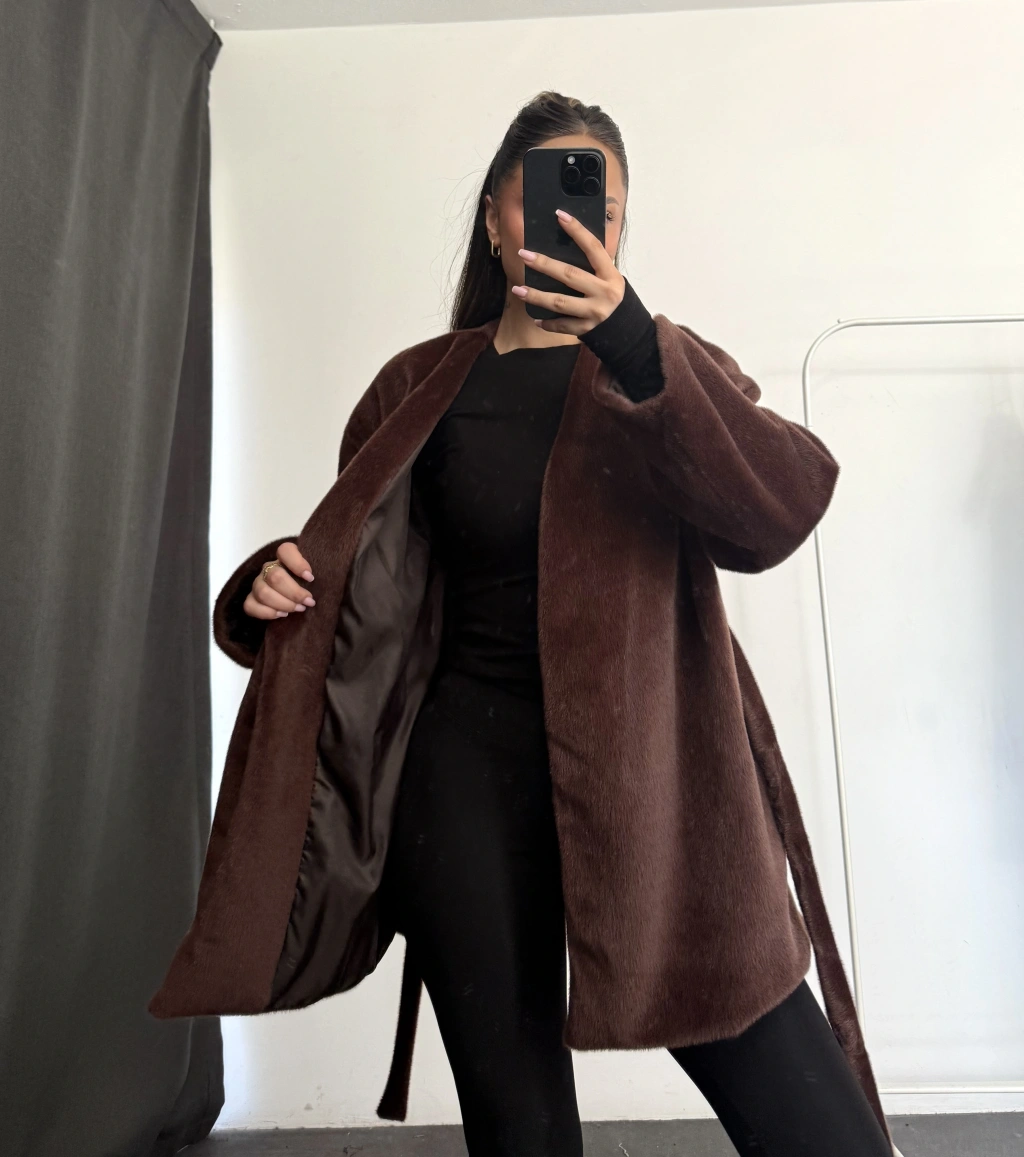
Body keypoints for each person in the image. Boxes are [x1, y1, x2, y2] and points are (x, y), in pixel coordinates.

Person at [235, 92, 894, 1156]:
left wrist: (634, 342)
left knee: (819, 1131)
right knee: (520, 1133)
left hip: (661, 787)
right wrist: (267, 583)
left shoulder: (663, 367)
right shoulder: (418, 386)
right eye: (540, 197)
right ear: (495, 218)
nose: (574, 223)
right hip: (462, 787)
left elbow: (777, 508)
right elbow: (355, 569)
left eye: (603, 209)